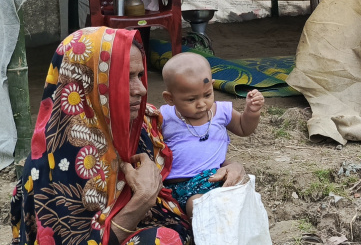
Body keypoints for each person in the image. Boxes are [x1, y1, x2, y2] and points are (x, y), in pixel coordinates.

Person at [10, 27, 246, 245]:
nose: (142, 88)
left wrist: (229, 166)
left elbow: (189, 152)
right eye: (125, 78)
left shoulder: (144, 122)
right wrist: (143, 199)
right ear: (87, 81)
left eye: (140, 74)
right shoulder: (54, 166)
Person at [160, 52, 265, 217]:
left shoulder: (221, 111)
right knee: (193, 210)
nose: (201, 104)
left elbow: (244, 128)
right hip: (176, 186)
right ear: (170, 99)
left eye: (207, 95)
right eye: (191, 100)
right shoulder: (165, 116)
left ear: (212, 86)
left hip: (212, 179)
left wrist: (251, 112)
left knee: (211, 206)